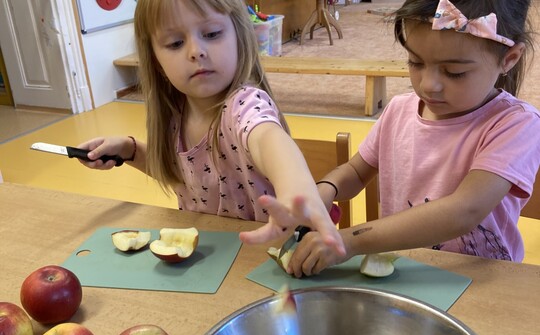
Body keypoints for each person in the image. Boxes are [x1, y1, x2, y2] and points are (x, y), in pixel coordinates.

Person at [241, 0, 540, 277]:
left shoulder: (515, 124)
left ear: (509, 58)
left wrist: (348, 241)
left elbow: (464, 210)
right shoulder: (399, 109)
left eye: (454, 72)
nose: (429, 85)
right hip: (402, 271)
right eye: (416, 62)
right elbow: (357, 171)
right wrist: (325, 188)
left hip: (480, 280)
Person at [77, 0, 343, 253]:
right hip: (209, 257)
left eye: (213, 34)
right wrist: (130, 150)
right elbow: (188, 176)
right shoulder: (173, 115)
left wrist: (297, 190)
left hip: (262, 259)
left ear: (240, 36)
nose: (196, 51)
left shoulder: (245, 104)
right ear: (156, 61)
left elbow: (268, 140)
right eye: (175, 43)